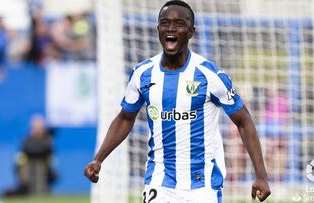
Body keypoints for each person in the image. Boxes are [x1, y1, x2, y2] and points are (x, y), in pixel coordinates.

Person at [84, 1, 271, 202]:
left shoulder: (210, 75)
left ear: (191, 31)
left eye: (179, 24)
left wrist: (261, 175)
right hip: (159, 180)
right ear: (158, 29)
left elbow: (244, 121)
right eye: (165, 23)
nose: (171, 29)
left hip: (202, 184)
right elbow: (125, 118)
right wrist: (99, 158)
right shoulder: (143, 73)